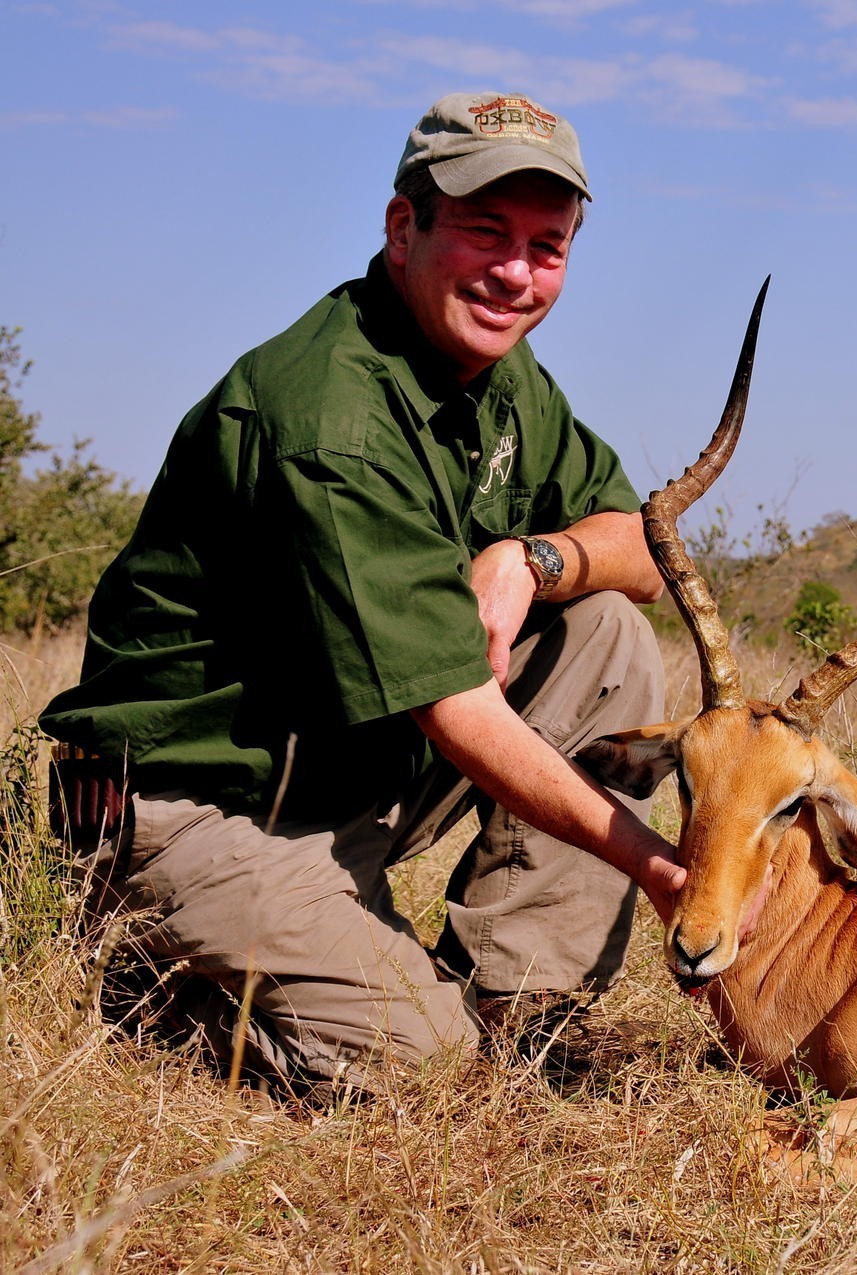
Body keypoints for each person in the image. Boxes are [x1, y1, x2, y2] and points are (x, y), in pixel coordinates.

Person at [40, 92, 684, 1097]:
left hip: (351, 781)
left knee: (603, 627)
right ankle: (146, 982)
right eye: (484, 233)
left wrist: (531, 559)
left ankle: (529, 1019)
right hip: (201, 811)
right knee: (422, 1067)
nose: (516, 274)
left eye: (546, 247)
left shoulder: (500, 377)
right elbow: (459, 713)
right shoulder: (330, 415)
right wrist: (661, 866)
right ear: (401, 229)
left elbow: (648, 551)